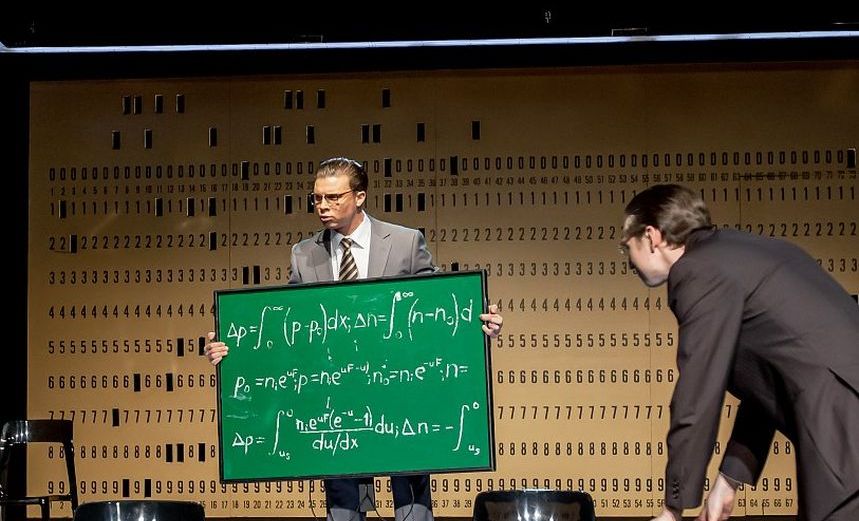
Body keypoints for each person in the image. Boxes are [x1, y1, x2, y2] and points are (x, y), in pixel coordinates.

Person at [205, 157, 504, 521]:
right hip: (336, 400)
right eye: (317, 198)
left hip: (401, 394)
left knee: (411, 503)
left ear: (359, 197)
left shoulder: (405, 243)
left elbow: (440, 307)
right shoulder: (304, 254)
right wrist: (232, 345)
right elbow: (287, 327)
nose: (322, 206)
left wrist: (480, 323)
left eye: (333, 197)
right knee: (346, 506)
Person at [619, 184, 859, 521]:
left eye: (626, 246)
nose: (628, 260)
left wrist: (673, 509)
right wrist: (728, 481)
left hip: (844, 422)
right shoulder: (743, 253)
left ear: (651, 236)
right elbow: (768, 383)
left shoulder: (697, 270)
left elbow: (697, 394)